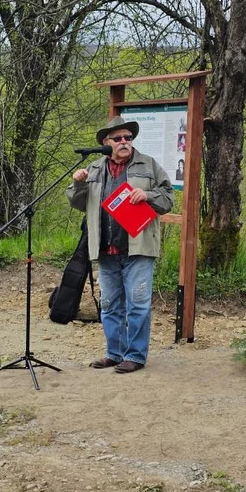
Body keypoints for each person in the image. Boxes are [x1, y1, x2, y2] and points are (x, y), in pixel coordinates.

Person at [67, 116, 173, 373]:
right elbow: (78, 203)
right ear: (106, 143)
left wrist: (147, 195)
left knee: (137, 304)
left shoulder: (148, 165)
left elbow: (168, 198)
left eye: (128, 137)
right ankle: (114, 353)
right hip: (106, 250)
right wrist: (78, 184)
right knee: (110, 305)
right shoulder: (93, 169)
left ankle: (135, 356)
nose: (124, 142)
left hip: (138, 249)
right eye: (118, 138)